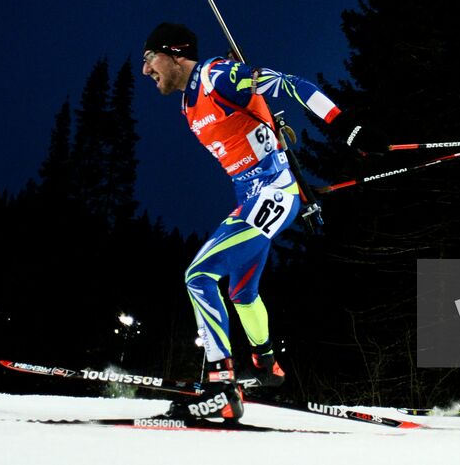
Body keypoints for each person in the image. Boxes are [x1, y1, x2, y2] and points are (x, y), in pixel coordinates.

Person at [141, 22, 385, 421]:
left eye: (149, 59)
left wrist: (347, 127)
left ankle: (220, 387)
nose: (146, 70)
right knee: (241, 293)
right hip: (254, 199)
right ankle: (267, 364)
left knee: (199, 276)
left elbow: (291, 84)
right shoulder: (188, 104)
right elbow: (257, 135)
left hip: (273, 195)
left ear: (172, 52)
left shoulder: (215, 75)